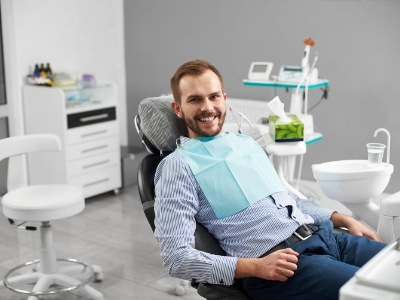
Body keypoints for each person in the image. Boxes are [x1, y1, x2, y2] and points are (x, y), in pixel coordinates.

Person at [154, 59, 386, 300]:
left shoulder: (245, 144)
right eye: (195, 99)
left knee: (394, 267)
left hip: (325, 237)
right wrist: (256, 267)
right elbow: (176, 258)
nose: (208, 107)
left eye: (214, 97)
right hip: (280, 267)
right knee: (379, 294)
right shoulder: (176, 167)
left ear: (224, 98)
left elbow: (287, 199)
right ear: (178, 108)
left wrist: (344, 219)